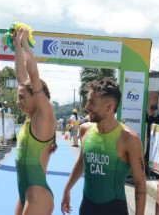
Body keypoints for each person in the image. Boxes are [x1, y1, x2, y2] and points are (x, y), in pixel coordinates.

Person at [61, 79, 146, 215]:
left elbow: (140, 183)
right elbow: (82, 162)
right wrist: (67, 189)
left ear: (109, 106)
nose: (86, 107)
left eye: (92, 102)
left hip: (114, 209)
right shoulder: (85, 130)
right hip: (87, 206)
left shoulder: (129, 139)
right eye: (88, 101)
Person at [10, 25, 55, 215]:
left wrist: (26, 45)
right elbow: (23, 78)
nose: (17, 101)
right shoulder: (30, 118)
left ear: (37, 96)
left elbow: (33, 77)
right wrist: (17, 47)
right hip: (25, 192)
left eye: (22, 98)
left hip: (38, 195)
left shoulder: (44, 116)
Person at [145, 104, 159, 175]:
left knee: (156, 153)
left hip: (158, 140)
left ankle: (156, 170)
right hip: (150, 138)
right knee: (148, 153)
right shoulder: (149, 118)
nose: (153, 111)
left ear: (157, 110)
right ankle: (148, 169)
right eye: (152, 109)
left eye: (155, 109)